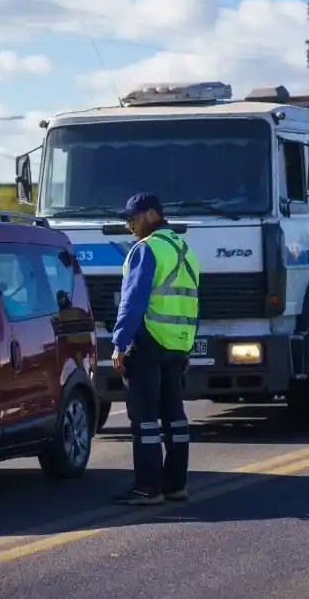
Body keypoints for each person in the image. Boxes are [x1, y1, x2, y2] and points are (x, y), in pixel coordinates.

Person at [110, 193, 201, 505]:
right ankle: (176, 485)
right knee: (174, 416)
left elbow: (133, 300)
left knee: (145, 418)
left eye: (132, 218)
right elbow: (193, 303)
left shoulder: (147, 249)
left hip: (148, 342)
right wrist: (186, 348)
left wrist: (120, 343)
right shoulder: (186, 250)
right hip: (177, 344)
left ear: (150, 215)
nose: (129, 225)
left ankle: (147, 488)